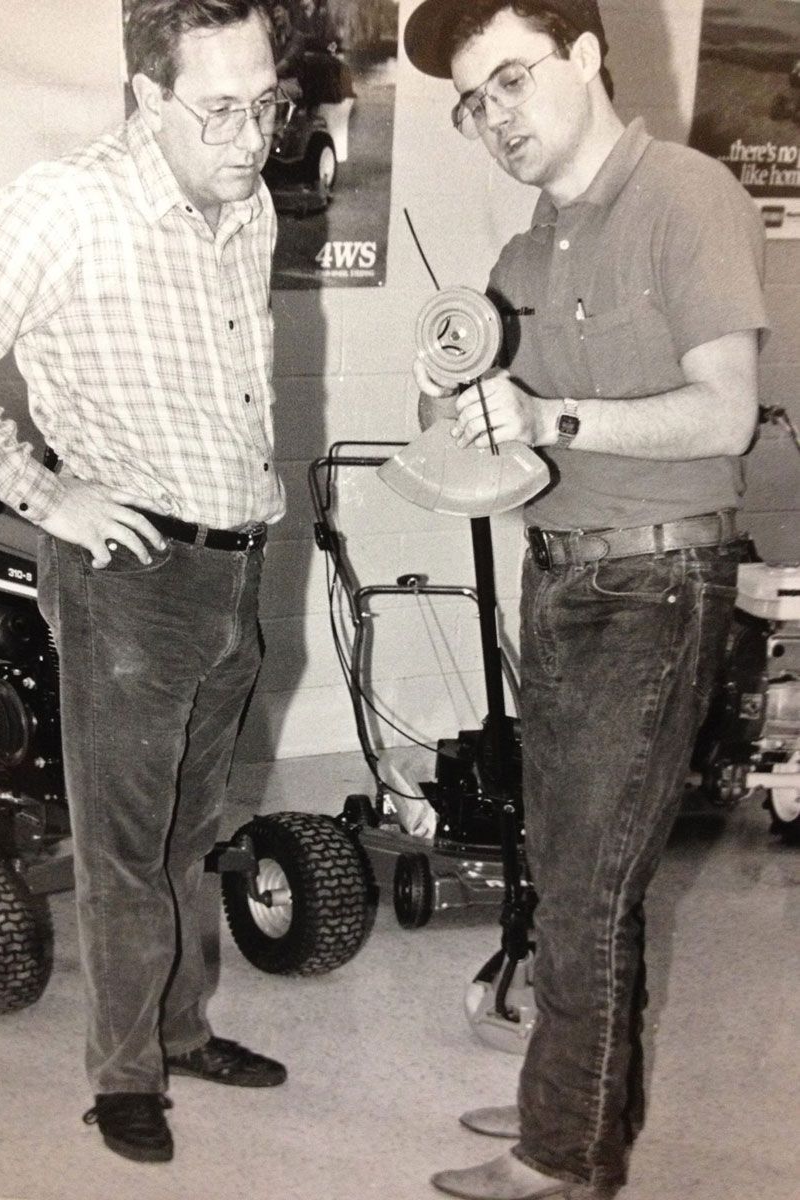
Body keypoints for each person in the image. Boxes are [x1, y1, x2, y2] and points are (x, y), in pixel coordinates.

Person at [0, 0, 294, 1167]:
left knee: (187, 835)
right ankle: (124, 1079)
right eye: (220, 108)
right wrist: (44, 493)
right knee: (122, 851)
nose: (250, 134)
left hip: (234, 568)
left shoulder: (248, 197)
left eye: (266, 102)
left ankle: (179, 1030)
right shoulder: (70, 203)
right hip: (132, 574)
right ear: (146, 97)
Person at [403, 1, 767, 1198]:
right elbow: (475, 442)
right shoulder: (525, 253)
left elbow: (721, 415)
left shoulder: (689, 193)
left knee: (586, 885)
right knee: (575, 873)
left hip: (653, 581)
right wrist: (448, 383)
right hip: (560, 577)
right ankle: (586, 1107)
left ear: (589, 56)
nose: (491, 118)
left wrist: (551, 414)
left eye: (509, 81)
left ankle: (561, 1157)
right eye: (471, 102)